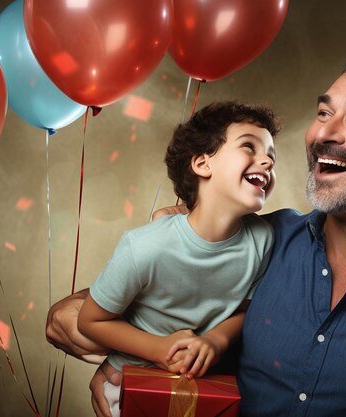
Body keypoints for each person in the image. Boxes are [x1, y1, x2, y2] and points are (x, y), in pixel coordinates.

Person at [46, 39, 346, 417]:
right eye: (324, 112)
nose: (325, 132)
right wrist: (122, 362)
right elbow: (70, 320)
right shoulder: (264, 241)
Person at [74, 100, 279, 417]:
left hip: (203, 388)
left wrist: (215, 341)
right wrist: (158, 349)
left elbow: (243, 312)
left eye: (271, 155)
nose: (266, 161)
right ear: (202, 164)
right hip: (128, 380)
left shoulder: (261, 239)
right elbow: (90, 321)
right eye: (249, 147)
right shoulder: (144, 246)